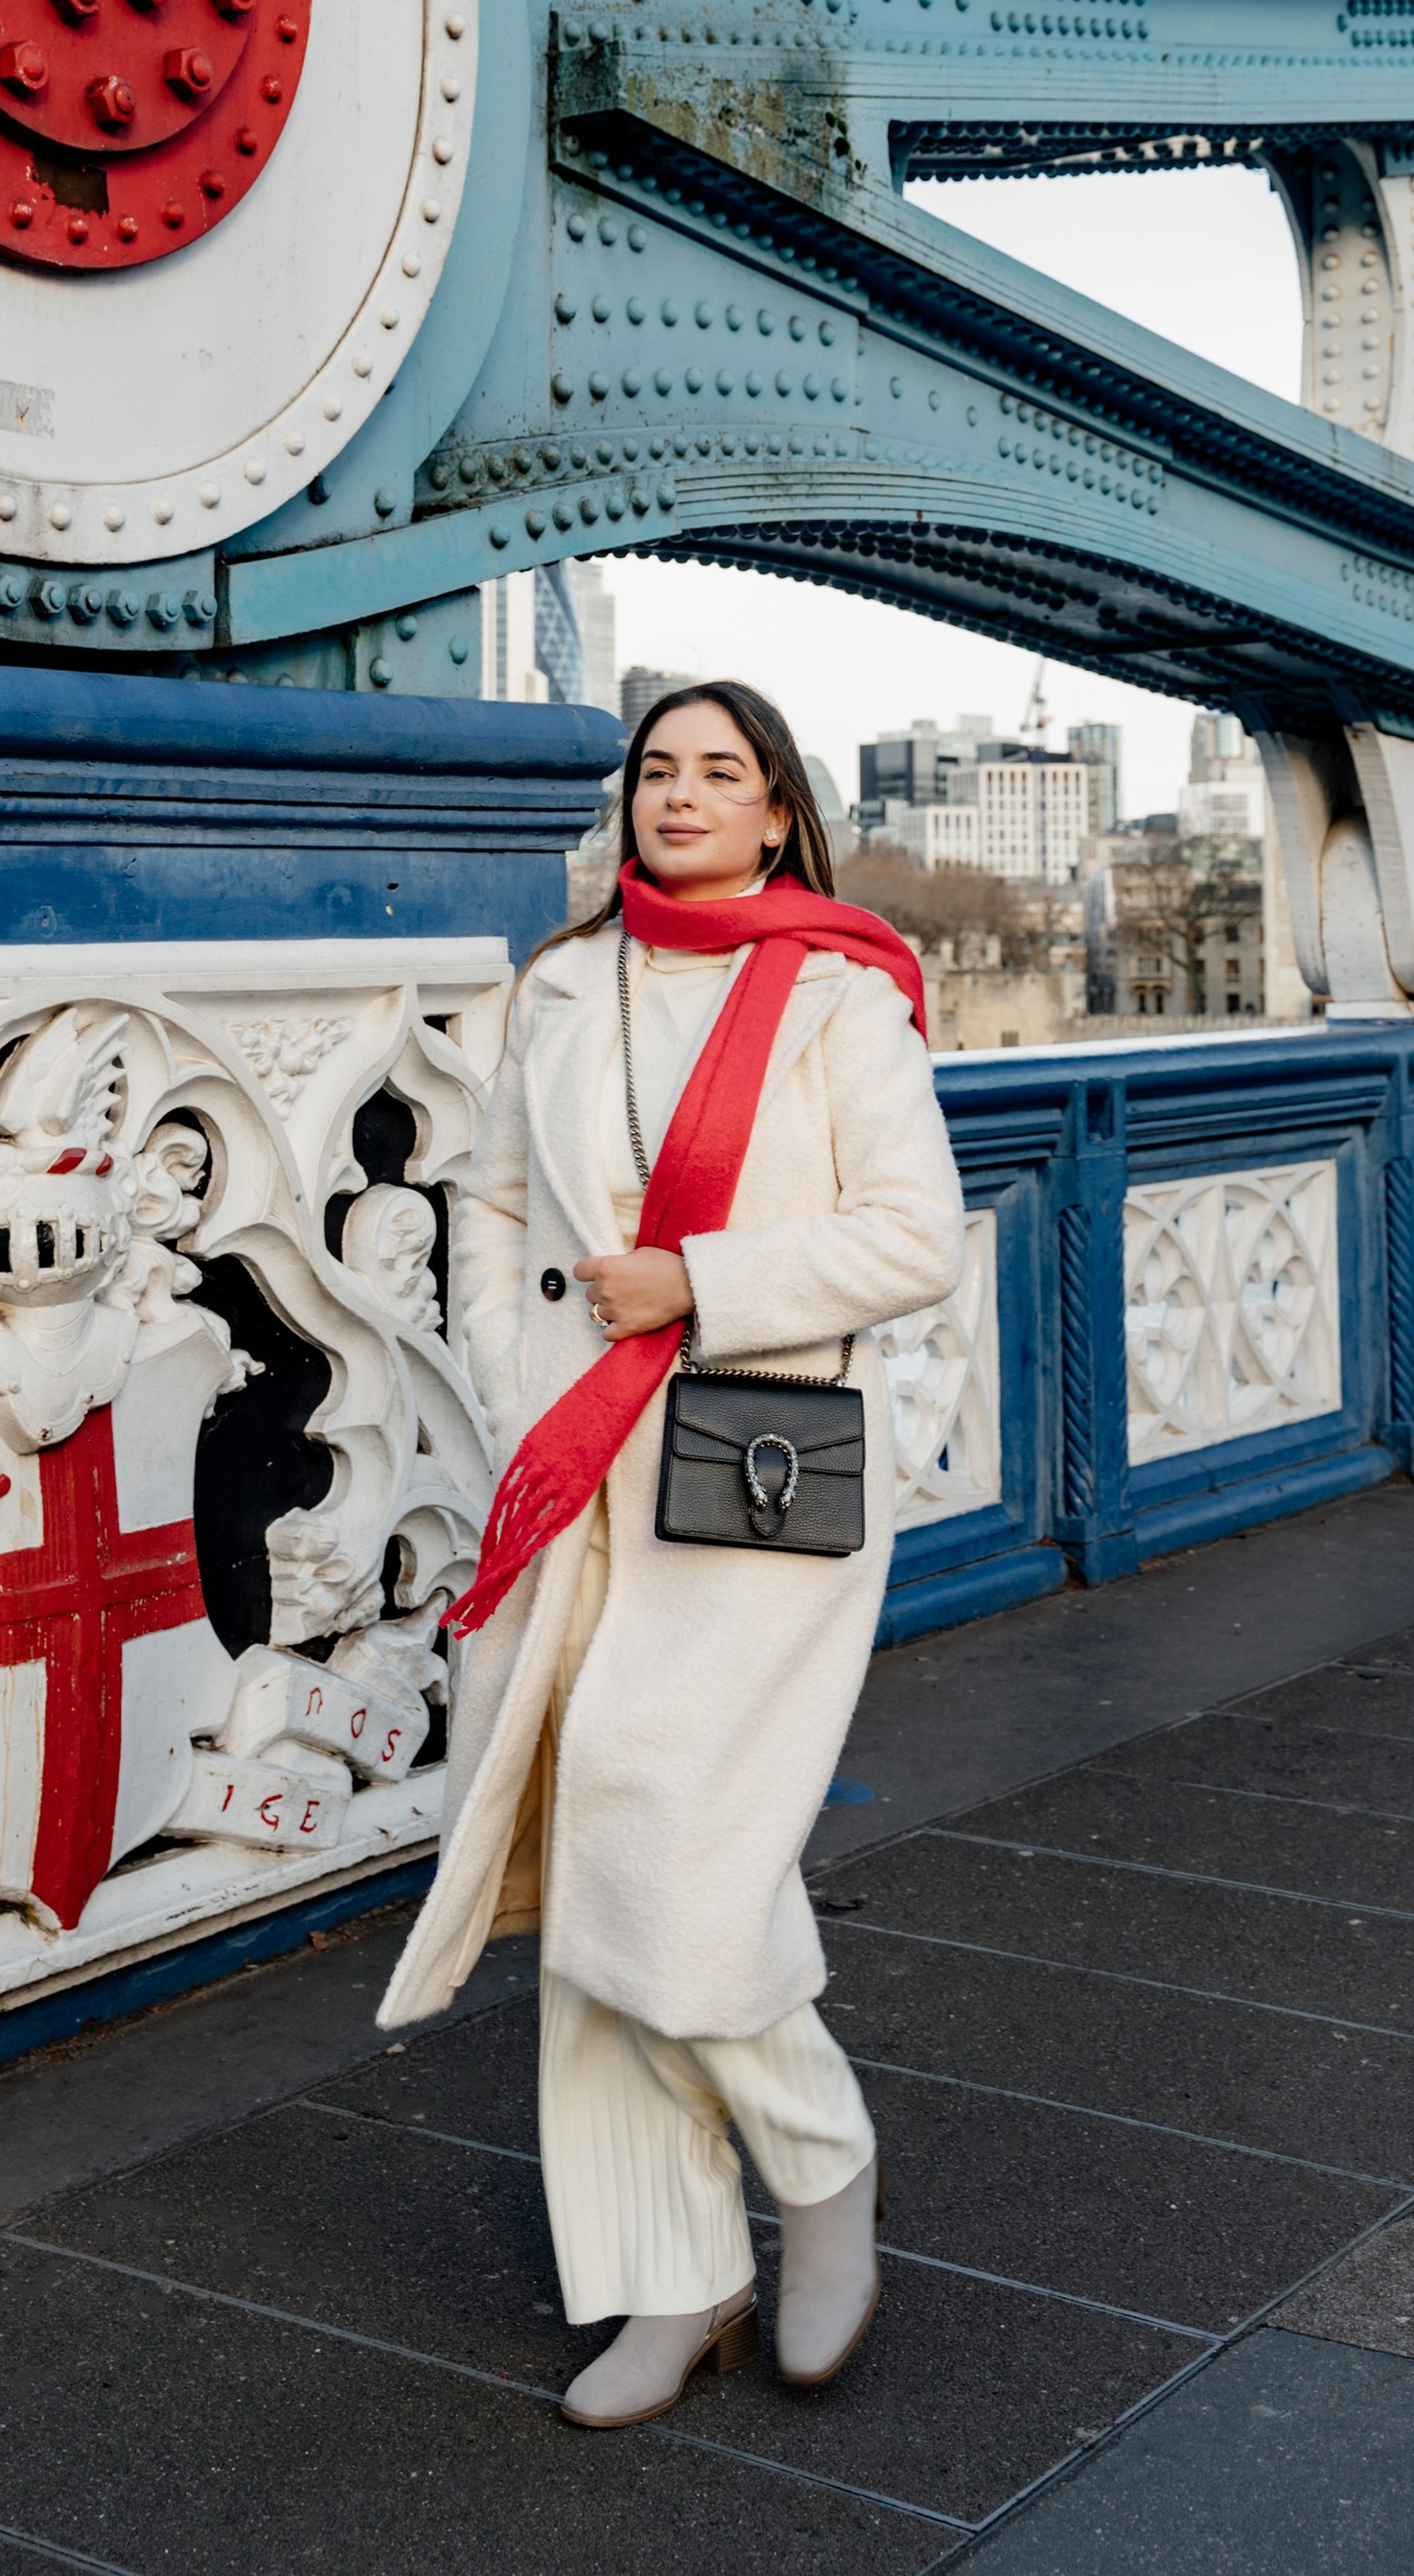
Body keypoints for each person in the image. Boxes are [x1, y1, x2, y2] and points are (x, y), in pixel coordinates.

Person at [378, 681, 965, 2427]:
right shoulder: (565, 983)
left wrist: (699, 1285)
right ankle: (667, 2275)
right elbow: (494, 1206)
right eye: (657, 770)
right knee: (588, 1846)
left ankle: (823, 2163)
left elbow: (913, 1236)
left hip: (752, 1475)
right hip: (575, 1461)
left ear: (779, 810)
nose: (681, 794)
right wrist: (520, 1387)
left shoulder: (842, 992)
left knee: (668, 1834)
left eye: (722, 771)